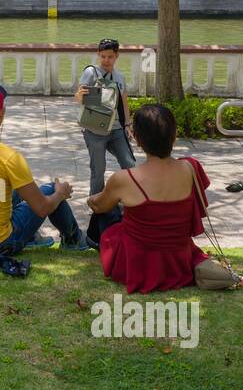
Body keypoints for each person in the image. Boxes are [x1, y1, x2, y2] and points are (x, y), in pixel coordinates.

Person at [87, 103, 234, 292]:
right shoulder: (190, 167)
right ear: (174, 136)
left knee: (106, 216)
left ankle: (79, 241)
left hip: (137, 262)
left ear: (137, 140)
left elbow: (99, 206)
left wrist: (92, 199)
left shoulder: (124, 178)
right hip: (178, 258)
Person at [0, 81, 90, 274]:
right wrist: (61, 193)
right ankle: (72, 238)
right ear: (1, 113)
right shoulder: (8, 156)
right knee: (48, 190)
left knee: (15, 191)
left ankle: (33, 238)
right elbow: (42, 207)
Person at [74, 37, 136, 199]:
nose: (106, 60)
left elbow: (124, 102)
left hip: (116, 129)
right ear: (98, 55)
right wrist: (81, 96)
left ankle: (129, 199)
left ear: (117, 56)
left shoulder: (120, 77)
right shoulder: (91, 72)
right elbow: (79, 97)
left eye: (110, 56)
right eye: (103, 56)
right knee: (98, 169)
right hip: (94, 129)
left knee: (130, 164)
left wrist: (128, 124)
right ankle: (96, 203)